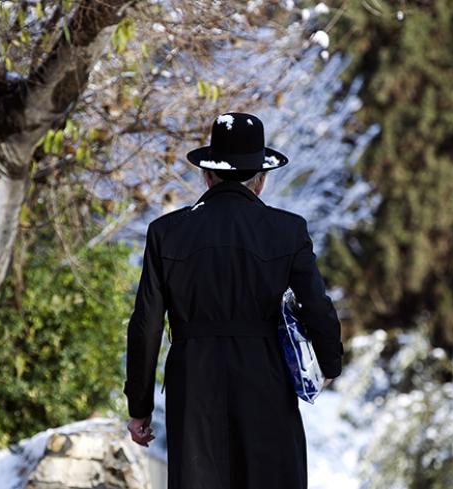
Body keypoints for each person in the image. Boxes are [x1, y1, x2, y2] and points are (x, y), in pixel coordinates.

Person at [123, 111, 344, 489]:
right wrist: (330, 363)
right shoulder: (287, 231)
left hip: (193, 382)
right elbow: (317, 307)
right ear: (261, 181)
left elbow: (146, 324)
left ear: (207, 175)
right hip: (266, 377)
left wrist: (139, 407)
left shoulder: (166, 233)